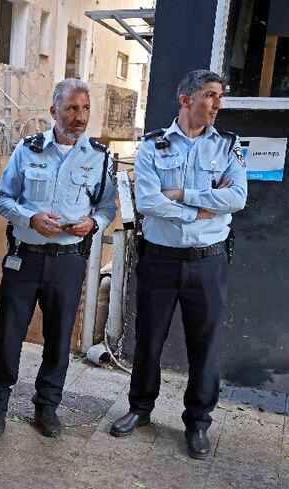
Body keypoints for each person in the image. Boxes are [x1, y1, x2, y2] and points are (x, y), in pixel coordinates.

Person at [110, 70, 247, 460]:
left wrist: (184, 194)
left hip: (208, 263)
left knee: (205, 345)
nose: (217, 103)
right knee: (148, 337)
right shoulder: (153, 146)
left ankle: (198, 423)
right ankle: (140, 408)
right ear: (186, 100)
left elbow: (237, 197)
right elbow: (149, 202)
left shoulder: (228, 147)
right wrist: (202, 210)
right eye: (210, 95)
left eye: (219, 96)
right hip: (161, 260)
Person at [0, 79, 117, 438]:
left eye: (85, 108)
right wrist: (30, 218)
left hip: (69, 261)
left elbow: (107, 208)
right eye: (72, 108)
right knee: (8, 333)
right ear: (54, 111)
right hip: (24, 258)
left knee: (59, 339)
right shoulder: (28, 150)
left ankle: (47, 408)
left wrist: (92, 223)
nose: (80, 116)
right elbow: (0, 198)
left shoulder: (99, 157)